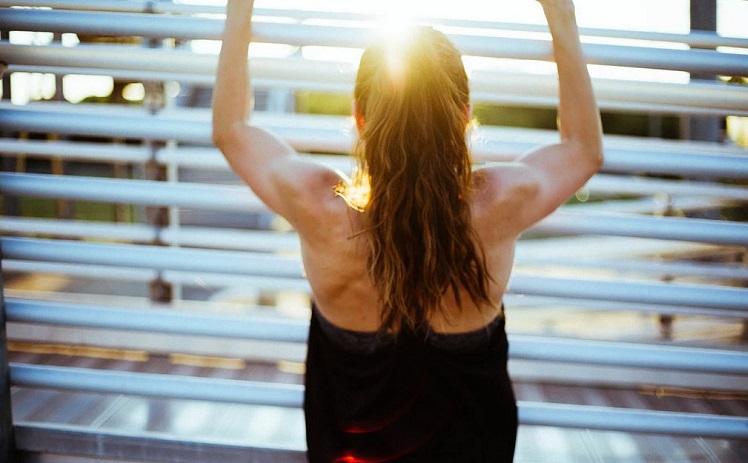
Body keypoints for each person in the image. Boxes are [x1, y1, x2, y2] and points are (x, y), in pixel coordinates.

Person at [213, 0, 602, 461]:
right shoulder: (498, 203)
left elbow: (232, 129)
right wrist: (561, 16)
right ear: (464, 115)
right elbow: (582, 149)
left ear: (359, 115)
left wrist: (241, 7)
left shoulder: (320, 206)